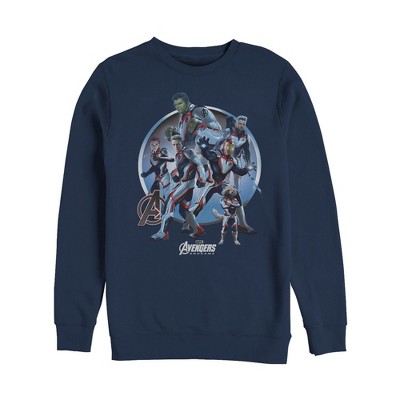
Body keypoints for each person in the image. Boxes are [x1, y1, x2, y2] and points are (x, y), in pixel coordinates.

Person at [190, 136, 256, 234]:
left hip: (222, 184)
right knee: (199, 205)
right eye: (228, 146)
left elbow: (240, 171)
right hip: (210, 184)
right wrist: (204, 149)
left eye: (231, 147)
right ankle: (190, 223)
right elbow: (208, 155)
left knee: (236, 195)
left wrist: (247, 169)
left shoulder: (231, 161)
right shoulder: (216, 155)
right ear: (223, 146)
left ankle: (242, 223)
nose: (229, 149)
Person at [151, 135, 206, 240]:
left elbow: (199, 164)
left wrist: (202, 178)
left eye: (178, 144)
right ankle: (198, 229)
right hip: (186, 184)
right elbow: (185, 168)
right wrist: (178, 177)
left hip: (186, 185)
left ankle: (163, 233)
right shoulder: (178, 154)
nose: (176, 146)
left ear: (182, 143)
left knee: (169, 202)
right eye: (174, 145)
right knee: (183, 210)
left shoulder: (188, 152)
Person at [140, 136, 174, 202]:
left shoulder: (163, 151)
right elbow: (154, 167)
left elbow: (172, 159)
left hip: (165, 177)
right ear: (150, 145)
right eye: (152, 145)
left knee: (162, 196)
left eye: (156, 144)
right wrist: (146, 174)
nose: (154, 146)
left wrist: (159, 158)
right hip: (158, 178)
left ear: (158, 144)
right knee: (152, 193)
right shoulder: (152, 155)